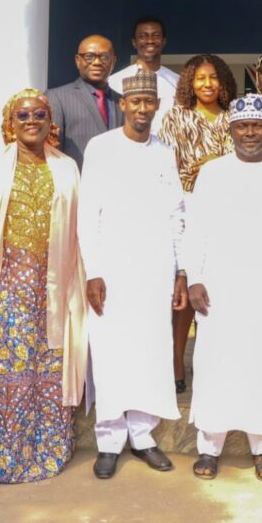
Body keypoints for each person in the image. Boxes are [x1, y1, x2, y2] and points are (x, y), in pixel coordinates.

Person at [0, 88, 87, 483]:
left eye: (39, 114)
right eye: (23, 115)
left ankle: (44, 450)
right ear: (10, 123)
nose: (32, 121)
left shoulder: (66, 168)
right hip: (3, 285)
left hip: (52, 289)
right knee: (2, 370)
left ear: (50, 122)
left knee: (45, 367)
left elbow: (77, 233)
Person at [186, 93, 262, 482]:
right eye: (242, 126)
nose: (249, 133)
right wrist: (195, 276)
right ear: (231, 130)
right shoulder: (213, 172)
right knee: (214, 362)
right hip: (219, 284)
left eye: (256, 125)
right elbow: (196, 229)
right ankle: (209, 447)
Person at [79, 68, 187, 479]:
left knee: (149, 349)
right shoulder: (100, 147)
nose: (142, 109)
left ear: (157, 106)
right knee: (109, 351)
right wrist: (94, 270)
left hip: (156, 268)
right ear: (123, 104)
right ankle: (108, 439)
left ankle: (142, 436)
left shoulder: (164, 151)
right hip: (111, 269)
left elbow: (176, 214)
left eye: (149, 102)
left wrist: (180, 271)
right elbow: (88, 213)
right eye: (135, 102)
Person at [158, 54, 237, 393]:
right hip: (186, 207)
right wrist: (205, 167)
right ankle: (176, 360)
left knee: (217, 290)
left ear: (223, 83)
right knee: (184, 291)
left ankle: (214, 365)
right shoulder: (177, 117)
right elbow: (164, 166)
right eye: (200, 78)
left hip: (227, 213)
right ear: (190, 82)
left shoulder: (234, 117)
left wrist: (215, 164)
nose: (207, 84)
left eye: (213, 77)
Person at [46, 35, 124, 169]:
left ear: (113, 61)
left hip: (115, 184)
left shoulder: (122, 101)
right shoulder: (56, 97)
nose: (97, 62)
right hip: (78, 184)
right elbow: (51, 150)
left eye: (104, 56)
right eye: (89, 56)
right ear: (77, 61)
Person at [110, 16, 180, 130]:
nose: (150, 41)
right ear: (134, 42)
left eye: (156, 35)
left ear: (164, 41)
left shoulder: (178, 82)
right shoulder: (115, 81)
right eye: (143, 36)